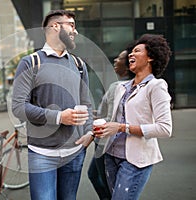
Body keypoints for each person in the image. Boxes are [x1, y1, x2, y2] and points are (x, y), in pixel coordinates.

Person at [12, 10, 94, 200]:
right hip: (42, 154)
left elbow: (86, 104)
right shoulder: (31, 62)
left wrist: (89, 132)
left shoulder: (79, 64)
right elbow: (18, 107)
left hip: (74, 152)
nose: (76, 31)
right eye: (71, 25)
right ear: (55, 26)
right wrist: (58, 117)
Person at [93, 34, 173, 200]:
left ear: (150, 57)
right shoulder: (121, 87)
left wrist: (123, 127)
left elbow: (165, 128)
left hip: (135, 161)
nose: (130, 54)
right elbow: (109, 118)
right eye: (131, 51)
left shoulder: (156, 86)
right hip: (111, 156)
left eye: (137, 51)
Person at [88, 47, 135, 200]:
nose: (116, 60)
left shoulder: (117, 87)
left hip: (106, 142)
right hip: (120, 143)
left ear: (129, 65)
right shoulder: (133, 86)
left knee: (107, 184)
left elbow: (109, 118)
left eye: (120, 58)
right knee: (95, 175)